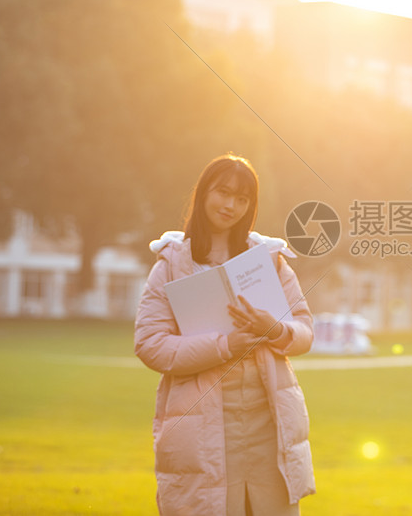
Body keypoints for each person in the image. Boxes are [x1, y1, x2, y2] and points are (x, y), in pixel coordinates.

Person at [134, 154, 315, 515]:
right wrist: (224, 345)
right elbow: (150, 344)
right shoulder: (171, 264)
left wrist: (276, 329)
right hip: (204, 431)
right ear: (203, 194)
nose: (231, 205)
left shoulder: (270, 260)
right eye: (223, 192)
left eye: (243, 198)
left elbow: (305, 329)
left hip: (268, 426)